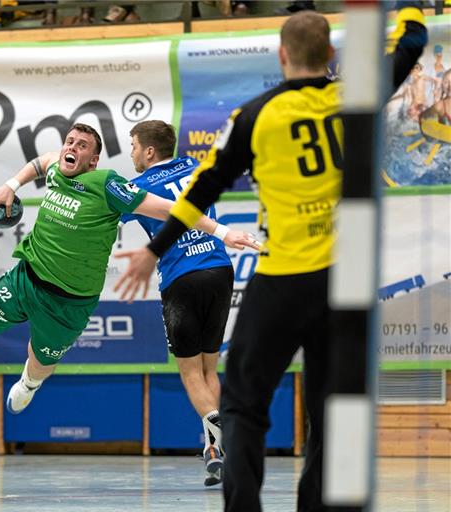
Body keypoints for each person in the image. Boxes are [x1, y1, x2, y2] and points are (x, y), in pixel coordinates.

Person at [113, 7, 427, 512]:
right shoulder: (357, 93)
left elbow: (200, 192)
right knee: (331, 410)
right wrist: (409, 11)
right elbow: (412, 44)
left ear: (282, 56)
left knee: (242, 404)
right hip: (343, 285)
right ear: (329, 56)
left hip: (282, 279)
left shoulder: (255, 115)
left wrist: (153, 249)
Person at [0, 123, 257, 417]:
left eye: (83, 146)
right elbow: (39, 162)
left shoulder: (107, 184)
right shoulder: (58, 164)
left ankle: (30, 385)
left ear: (93, 160)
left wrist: (220, 230)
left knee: (39, 362)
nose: (72, 147)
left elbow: (169, 209)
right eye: (70, 140)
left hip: (68, 304)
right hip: (25, 279)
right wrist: (10, 186)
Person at [121, 120, 254, 487]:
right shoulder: (195, 168)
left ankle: (221, 424)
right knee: (210, 369)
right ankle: (216, 449)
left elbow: (103, 216)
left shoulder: (139, 187)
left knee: (190, 372)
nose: (131, 152)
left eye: (133, 145)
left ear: (149, 151)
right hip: (219, 269)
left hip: (181, 277)